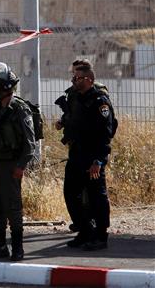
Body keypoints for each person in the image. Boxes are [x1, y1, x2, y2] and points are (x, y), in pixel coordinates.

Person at [0, 62, 36, 261]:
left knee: (13, 208)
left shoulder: (19, 109)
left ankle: (17, 247)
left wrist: (20, 166)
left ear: (4, 89)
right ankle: (0, 245)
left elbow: (30, 143)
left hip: (11, 165)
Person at [59, 63, 115, 250]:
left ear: (89, 80)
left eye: (78, 78)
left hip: (93, 157)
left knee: (97, 197)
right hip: (77, 153)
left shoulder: (100, 101)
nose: (74, 80)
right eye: (73, 77)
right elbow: (73, 119)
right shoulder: (75, 98)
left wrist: (98, 160)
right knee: (71, 193)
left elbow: (106, 133)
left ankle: (100, 236)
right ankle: (84, 231)